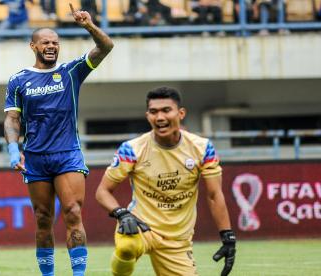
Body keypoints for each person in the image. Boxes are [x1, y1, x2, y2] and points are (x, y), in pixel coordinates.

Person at [3, 3, 113, 276]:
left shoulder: (71, 71)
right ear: (33, 47)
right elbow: (12, 119)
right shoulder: (18, 80)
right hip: (36, 158)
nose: (51, 46)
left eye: (55, 42)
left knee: (73, 212)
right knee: (42, 219)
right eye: (45, 42)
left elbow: (106, 47)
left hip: (68, 154)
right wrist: (13, 151)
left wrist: (88, 25)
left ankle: (78, 274)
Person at [95, 87, 236, 276]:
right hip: (141, 227)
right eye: (154, 112)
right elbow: (102, 191)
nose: (160, 117)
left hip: (177, 239)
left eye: (166, 110)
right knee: (126, 247)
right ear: (147, 116)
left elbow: (214, 195)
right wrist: (122, 214)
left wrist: (227, 236)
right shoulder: (132, 149)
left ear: (181, 113)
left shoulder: (203, 148)